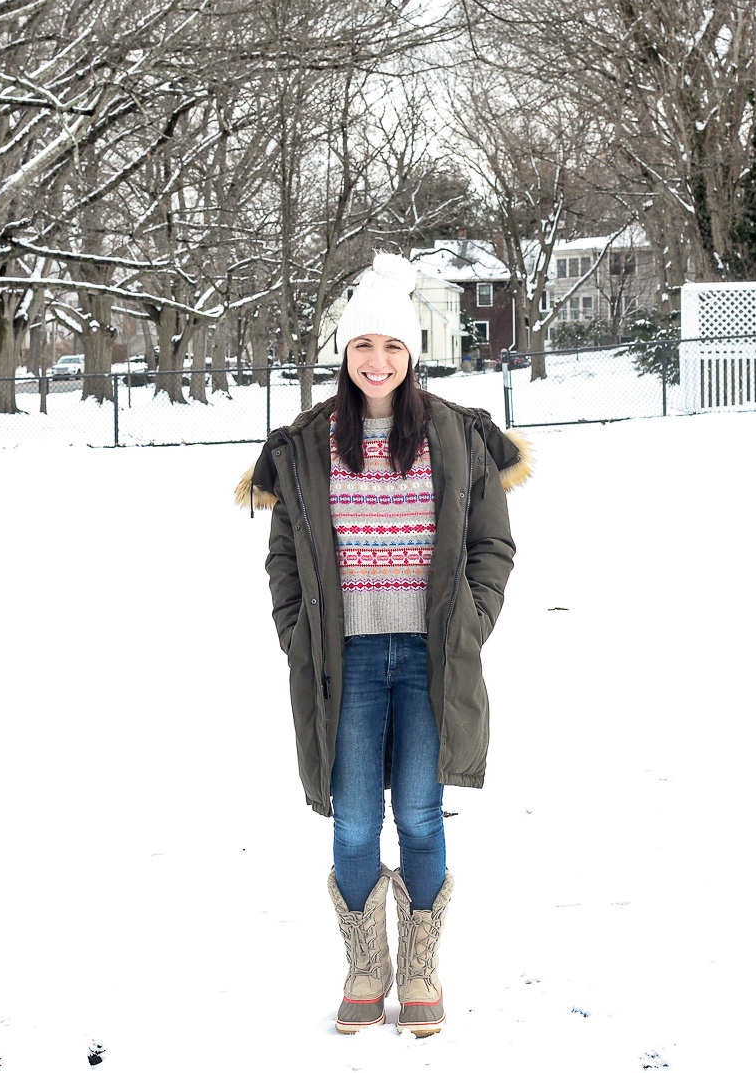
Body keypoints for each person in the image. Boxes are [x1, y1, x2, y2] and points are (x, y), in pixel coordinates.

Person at [236, 253, 532, 1037]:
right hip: (349, 662)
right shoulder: (304, 445)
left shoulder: (456, 437)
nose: (377, 361)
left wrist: (470, 623)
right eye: (363, 346)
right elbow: (283, 558)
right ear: (344, 354)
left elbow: (490, 547)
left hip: (432, 658)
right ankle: (367, 965)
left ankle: (422, 969)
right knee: (356, 820)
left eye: (393, 347)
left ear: (412, 355)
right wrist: (298, 637)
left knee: (425, 817)